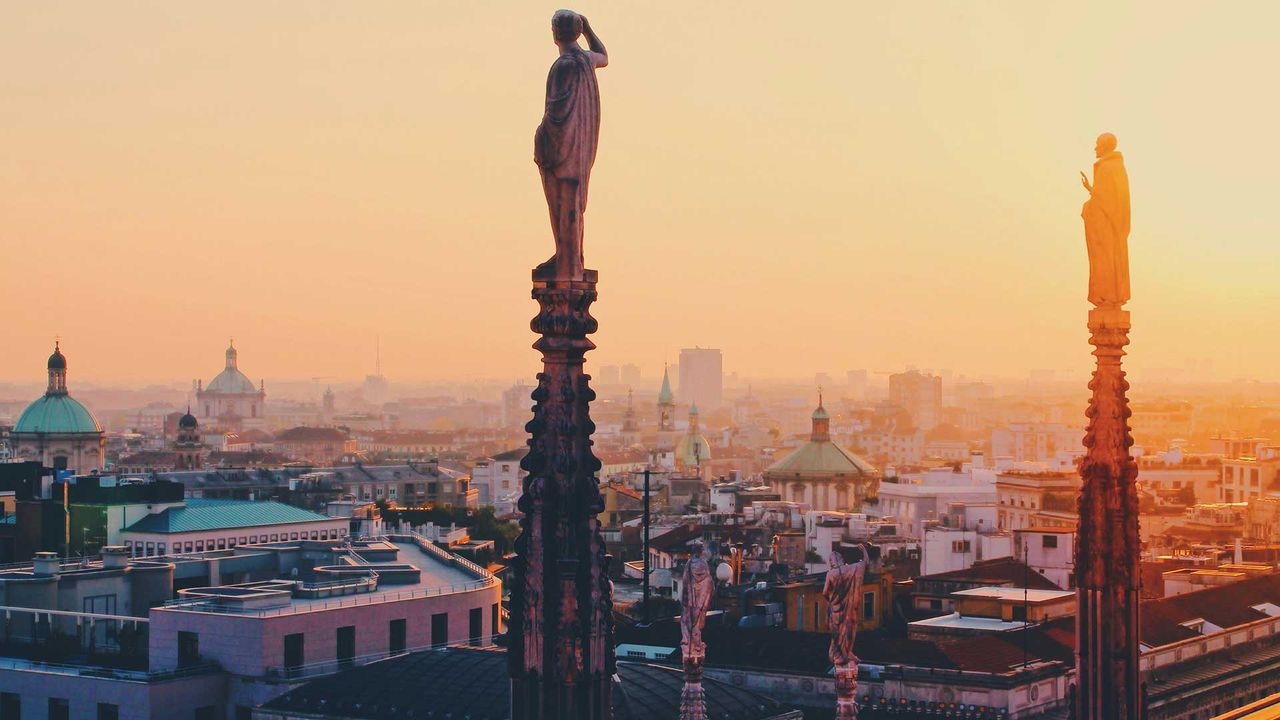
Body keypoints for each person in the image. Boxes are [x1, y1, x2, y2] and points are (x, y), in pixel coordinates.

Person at [534, 10, 608, 280]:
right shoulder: (585, 61)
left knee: (561, 205)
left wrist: (541, 137)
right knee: (572, 205)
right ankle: (569, 257)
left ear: (555, 33)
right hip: (580, 151)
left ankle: (568, 261)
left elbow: (556, 113)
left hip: (561, 149)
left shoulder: (564, 66)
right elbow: (604, 56)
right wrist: (588, 29)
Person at [1080, 132, 1131, 307]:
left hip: (1106, 228)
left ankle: (1107, 296)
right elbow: (1109, 197)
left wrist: (1088, 207)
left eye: (1097, 144)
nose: (1095, 148)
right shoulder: (1116, 166)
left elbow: (1105, 200)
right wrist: (1091, 189)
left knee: (1106, 261)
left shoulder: (1107, 167)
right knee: (1109, 260)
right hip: (1110, 225)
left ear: (1105, 145)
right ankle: (1109, 296)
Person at [823, 545, 868, 666]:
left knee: (838, 634)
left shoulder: (831, 574)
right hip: (849, 609)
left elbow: (825, 592)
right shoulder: (852, 569)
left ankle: (842, 654)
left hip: (836, 610)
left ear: (832, 562)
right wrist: (863, 550)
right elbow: (865, 562)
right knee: (849, 630)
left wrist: (833, 600)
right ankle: (846, 652)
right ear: (842, 559)